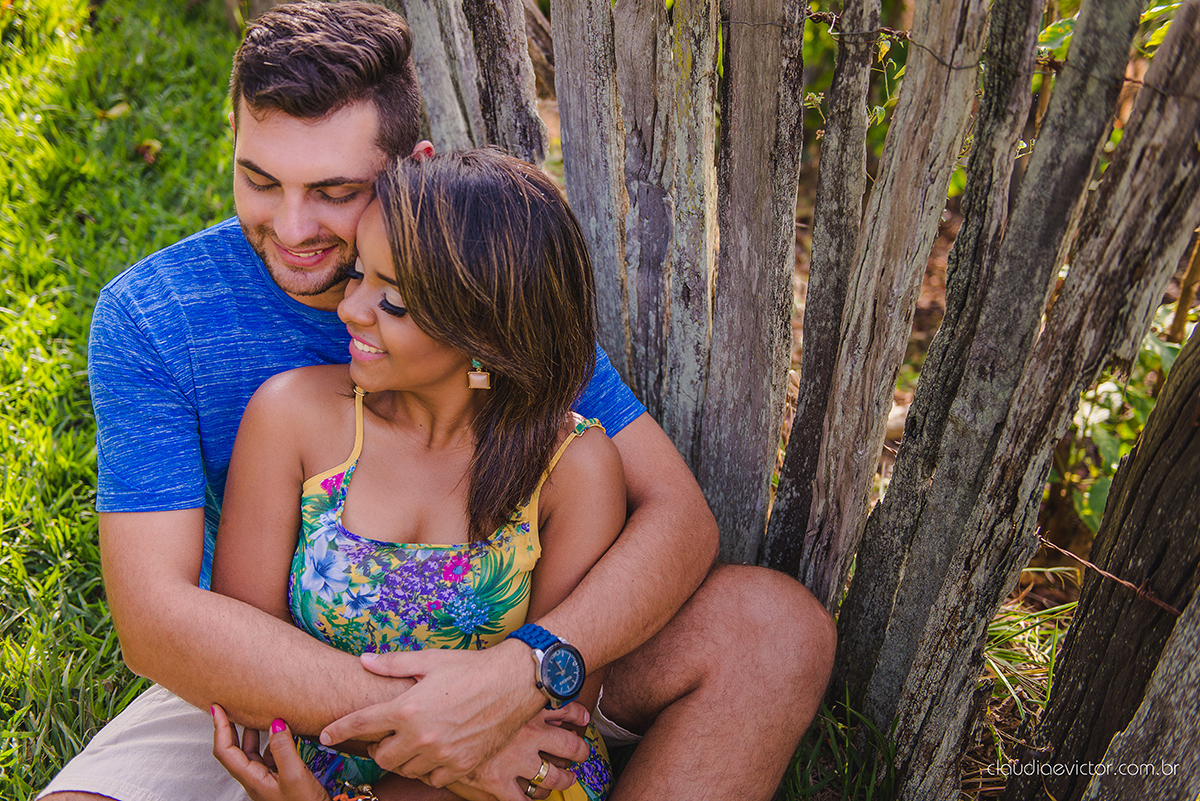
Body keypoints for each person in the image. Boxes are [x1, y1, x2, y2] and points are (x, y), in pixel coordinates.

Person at [41, 3, 836, 801]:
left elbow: (678, 516)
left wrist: (523, 672)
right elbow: (156, 618)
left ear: (413, 168)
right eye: (259, 179)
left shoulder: (480, 278)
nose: (291, 227)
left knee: (771, 628)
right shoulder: (156, 316)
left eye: (334, 189)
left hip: (515, 648)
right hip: (275, 663)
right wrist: (441, 719)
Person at [211, 147, 624, 801]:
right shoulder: (293, 416)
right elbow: (239, 656)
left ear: (487, 327)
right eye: (358, 276)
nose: (350, 309)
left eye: (393, 302)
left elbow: (556, 714)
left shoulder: (573, 467)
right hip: (315, 768)